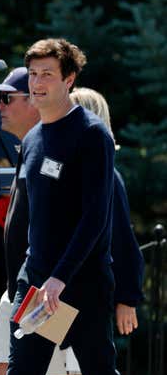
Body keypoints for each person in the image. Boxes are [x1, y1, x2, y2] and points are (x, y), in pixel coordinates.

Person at [3, 38, 133, 375]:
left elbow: (95, 218)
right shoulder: (32, 140)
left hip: (80, 286)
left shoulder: (92, 135)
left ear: (69, 79)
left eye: (48, 74)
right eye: (32, 74)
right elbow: (25, 220)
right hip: (40, 287)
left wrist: (61, 277)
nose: (37, 83)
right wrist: (25, 281)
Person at [0, 67, 89, 375]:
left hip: (49, 292)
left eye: (7, 98)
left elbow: (85, 223)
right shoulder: (27, 148)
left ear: (33, 102)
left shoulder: (58, 149)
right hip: (19, 291)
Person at [69, 87, 144, 337]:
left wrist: (128, 298)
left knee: (77, 371)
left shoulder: (107, 175)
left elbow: (122, 236)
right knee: (49, 368)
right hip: (58, 292)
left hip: (87, 293)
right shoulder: (68, 169)